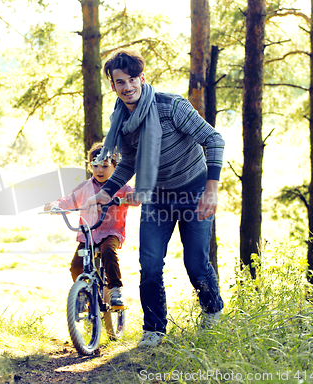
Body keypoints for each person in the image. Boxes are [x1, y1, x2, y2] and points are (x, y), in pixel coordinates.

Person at [83, 49, 225, 347]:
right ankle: (154, 330)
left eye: (132, 79)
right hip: (157, 197)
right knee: (149, 264)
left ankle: (212, 312)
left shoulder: (171, 106)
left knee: (196, 262)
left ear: (142, 78)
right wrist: (105, 193)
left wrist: (212, 187)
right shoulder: (122, 120)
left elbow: (213, 139)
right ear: (113, 85)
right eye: (120, 81)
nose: (127, 86)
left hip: (194, 191)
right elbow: (129, 161)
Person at [44, 142, 139, 308]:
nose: (99, 170)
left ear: (115, 166)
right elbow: (69, 201)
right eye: (95, 166)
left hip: (111, 232)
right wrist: (55, 205)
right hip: (88, 234)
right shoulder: (85, 187)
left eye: (104, 166)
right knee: (76, 266)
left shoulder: (121, 187)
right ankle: (82, 294)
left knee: (108, 252)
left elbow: (137, 198)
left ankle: (116, 289)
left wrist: (129, 198)